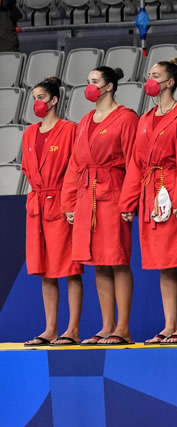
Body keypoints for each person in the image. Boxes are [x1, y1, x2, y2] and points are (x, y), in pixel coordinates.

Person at [119, 58, 177, 345]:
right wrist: (128, 202)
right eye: (149, 75)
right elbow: (136, 164)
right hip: (151, 194)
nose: (149, 80)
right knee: (164, 263)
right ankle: (168, 326)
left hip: (174, 191)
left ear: (170, 82)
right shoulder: (145, 119)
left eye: (156, 76)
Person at [62, 67, 138, 345]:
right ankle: (107, 327)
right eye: (88, 82)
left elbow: (134, 162)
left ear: (108, 87)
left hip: (113, 192)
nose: (89, 87)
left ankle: (123, 328)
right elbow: (75, 164)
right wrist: (69, 201)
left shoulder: (126, 118)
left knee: (117, 260)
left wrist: (130, 200)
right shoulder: (84, 121)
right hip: (87, 195)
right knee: (99, 263)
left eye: (95, 82)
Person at [21, 76, 84, 347]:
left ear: (54, 100)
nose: (37, 103)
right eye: (34, 98)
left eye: (42, 98)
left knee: (69, 269)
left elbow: (76, 167)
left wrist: (70, 203)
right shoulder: (29, 133)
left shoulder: (70, 129)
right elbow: (26, 167)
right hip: (37, 206)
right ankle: (50, 329)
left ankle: (73, 329)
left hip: (61, 202)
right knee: (45, 270)